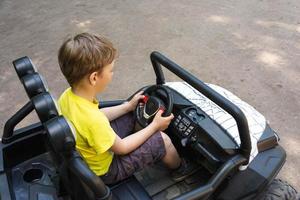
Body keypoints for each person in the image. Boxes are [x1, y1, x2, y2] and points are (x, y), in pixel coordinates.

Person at [57, 32, 197, 184]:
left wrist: (127, 107)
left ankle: (145, 145)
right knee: (163, 140)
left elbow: (98, 115)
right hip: (106, 171)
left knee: (132, 114)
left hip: (89, 157)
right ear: (94, 78)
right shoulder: (93, 121)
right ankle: (181, 168)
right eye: (110, 70)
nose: (112, 73)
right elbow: (122, 148)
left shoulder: (68, 96)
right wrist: (155, 126)